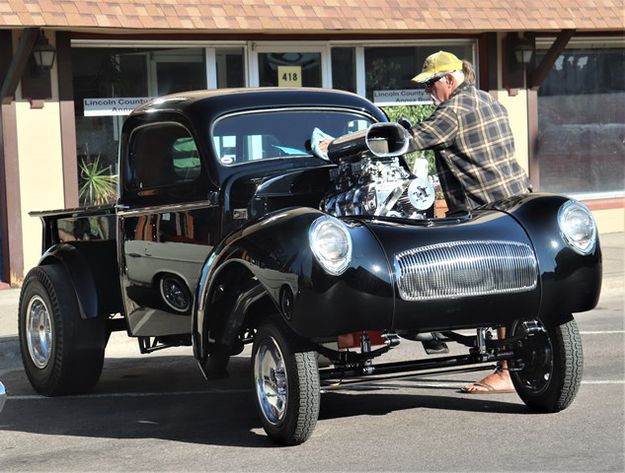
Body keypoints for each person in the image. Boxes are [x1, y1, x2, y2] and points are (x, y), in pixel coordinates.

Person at [407, 51, 532, 394]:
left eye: (431, 84)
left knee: (501, 288)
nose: (428, 93)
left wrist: (351, 144)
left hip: (486, 209)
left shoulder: (454, 110)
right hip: (517, 199)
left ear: (450, 79)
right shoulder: (488, 101)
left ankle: (505, 370)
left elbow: (410, 141)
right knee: (517, 285)